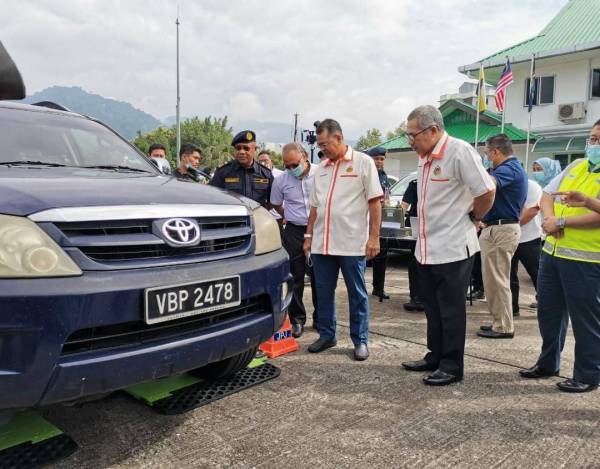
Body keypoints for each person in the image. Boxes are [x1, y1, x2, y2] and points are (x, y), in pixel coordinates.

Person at [401, 105, 495, 385]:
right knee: (431, 307)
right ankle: (435, 355)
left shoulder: (459, 151)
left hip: (454, 248)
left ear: (433, 130)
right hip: (426, 248)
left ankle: (452, 366)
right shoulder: (424, 157)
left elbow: (487, 190)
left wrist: (475, 217)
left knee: (451, 310)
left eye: (413, 135)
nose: (411, 141)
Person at [519, 120, 600, 393]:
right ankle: (548, 363)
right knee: (549, 313)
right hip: (552, 253)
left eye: (599, 140)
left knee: (586, 320)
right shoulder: (576, 166)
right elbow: (546, 195)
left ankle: (588, 374)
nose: (593, 144)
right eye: (592, 138)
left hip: (587, 260)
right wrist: (551, 218)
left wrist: (563, 224)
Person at [303, 119, 383, 361]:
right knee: (323, 290)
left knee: (356, 293)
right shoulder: (322, 169)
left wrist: (374, 237)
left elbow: (375, 202)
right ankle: (327, 335)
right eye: (319, 145)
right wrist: (308, 236)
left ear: (339, 138)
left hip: (351, 243)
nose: (322, 149)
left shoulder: (363, 162)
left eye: (325, 144)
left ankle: (360, 340)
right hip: (322, 244)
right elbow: (315, 207)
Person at [477, 134, 527, 339]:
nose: (487, 157)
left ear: (496, 151)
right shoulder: (508, 169)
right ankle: (499, 321)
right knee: (493, 281)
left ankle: (504, 326)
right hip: (496, 228)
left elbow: (488, 184)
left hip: (502, 229)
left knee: (498, 280)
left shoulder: (509, 169)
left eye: (487, 152)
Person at [271, 143, 318, 338]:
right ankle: (297, 319)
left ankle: (322, 318)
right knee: (295, 276)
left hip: (320, 230)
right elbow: (275, 203)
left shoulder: (322, 173)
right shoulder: (281, 180)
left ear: (305, 156)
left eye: (294, 164)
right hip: (294, 231)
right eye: (287, 165)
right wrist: (288, 214)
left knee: (320, 277)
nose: (291, 169)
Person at [210, 131, 273, 207]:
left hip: (257, 217)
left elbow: (272, 201)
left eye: (246, 148)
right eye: (238, 148)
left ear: (254, 150)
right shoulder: (223, 172)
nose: (241, 152)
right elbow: (212, 197)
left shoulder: (266, 174)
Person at [510, 178, 543, 316]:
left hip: (529, 238)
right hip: (509, 238)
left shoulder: (532, 186)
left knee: (538, 274)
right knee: (509, 275)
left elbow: (532, 211)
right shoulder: (505, 185)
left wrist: (510, 226)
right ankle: (512, 308)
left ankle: (545, 303)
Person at [366, 146, 393, 300]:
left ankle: (378, 288)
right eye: (376, 159)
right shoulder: (367, 174)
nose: (379, 162)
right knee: (363, 256)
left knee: (381, 256)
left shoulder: (383, 176)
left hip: (380, 221)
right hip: (365, 221)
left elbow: (387, 197)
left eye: (382, 159)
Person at [400, 178, 424, 311]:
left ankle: (425, 297)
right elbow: (404, 205)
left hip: (435, 225)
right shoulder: (415, 184)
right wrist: (398, 224)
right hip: (415, 227)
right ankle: (415, 297)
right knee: (415, 262)